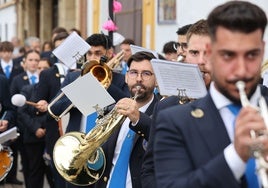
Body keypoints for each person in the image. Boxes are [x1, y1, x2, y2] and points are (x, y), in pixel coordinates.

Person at [154, 1, 268, 187]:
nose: (241, 70)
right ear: (210, 52)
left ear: (262, 50)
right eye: (228, 55)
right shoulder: (174, 122)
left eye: (251, 55)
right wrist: (236, 156)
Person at [141, 19, 211, 188]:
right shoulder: (166, 106)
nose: (201, 61)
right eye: (194, 53)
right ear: (186, 55)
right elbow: (149, 169)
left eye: (208, 52)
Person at [91, 51, 159, 188]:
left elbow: (161, 141)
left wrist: (139, 119)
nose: (139, 79)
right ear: (126, 77)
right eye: (133, 72)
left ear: (157, 80)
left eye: (146, 73)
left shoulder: (165, 111)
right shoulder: (113, 110)